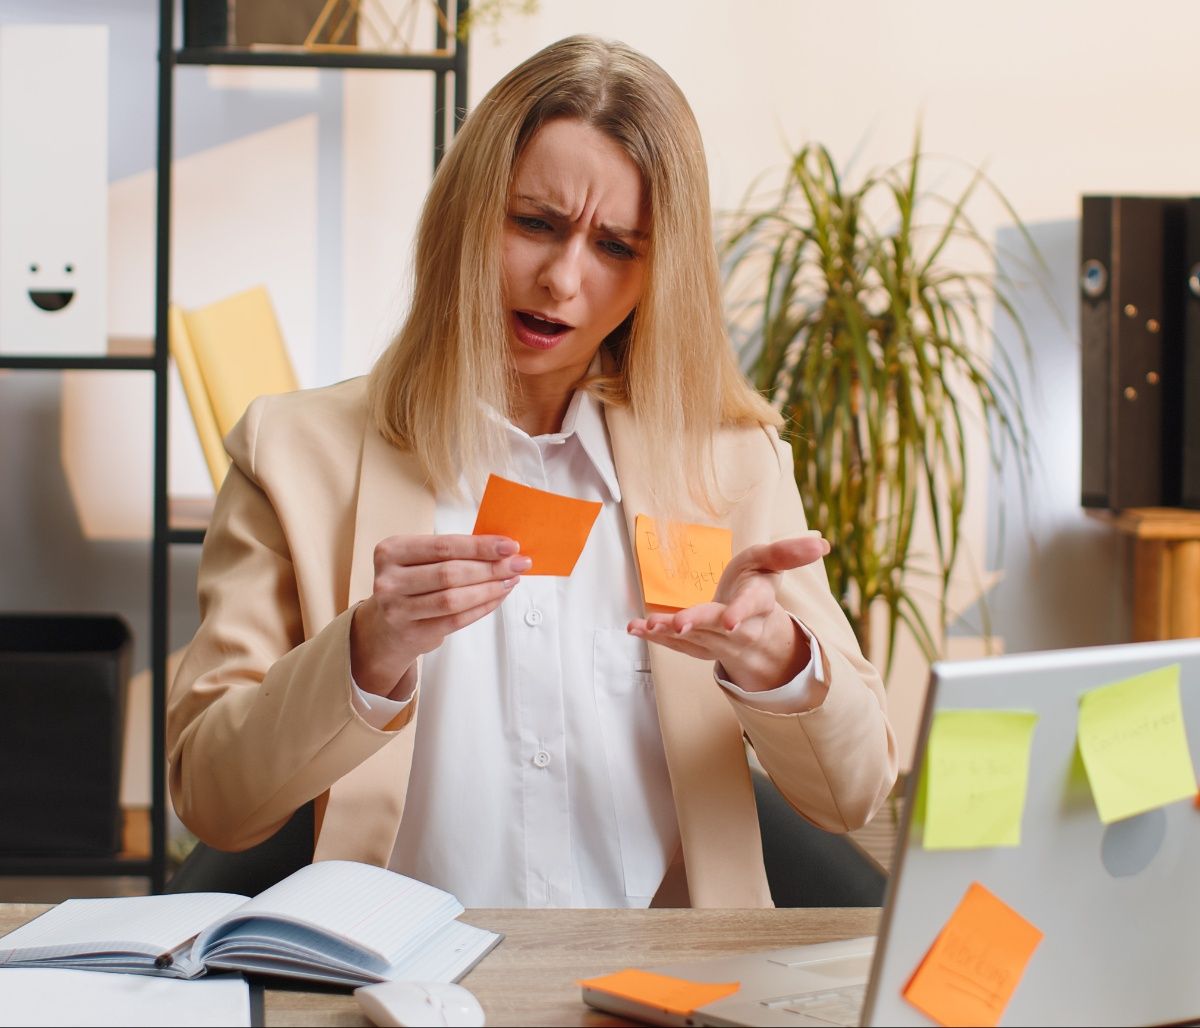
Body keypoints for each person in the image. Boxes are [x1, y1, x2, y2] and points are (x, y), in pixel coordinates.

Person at [167, 34, 898, 909]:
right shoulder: (291, 457)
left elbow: (853, 792)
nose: (562, 279)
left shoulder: (730, 463)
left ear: (658, 273)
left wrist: (774, 658)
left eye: (617, 247)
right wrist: (370, 650)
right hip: (396, 984)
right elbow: (213, 798)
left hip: (660, 988)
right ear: (467, 216)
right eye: (535, 224)